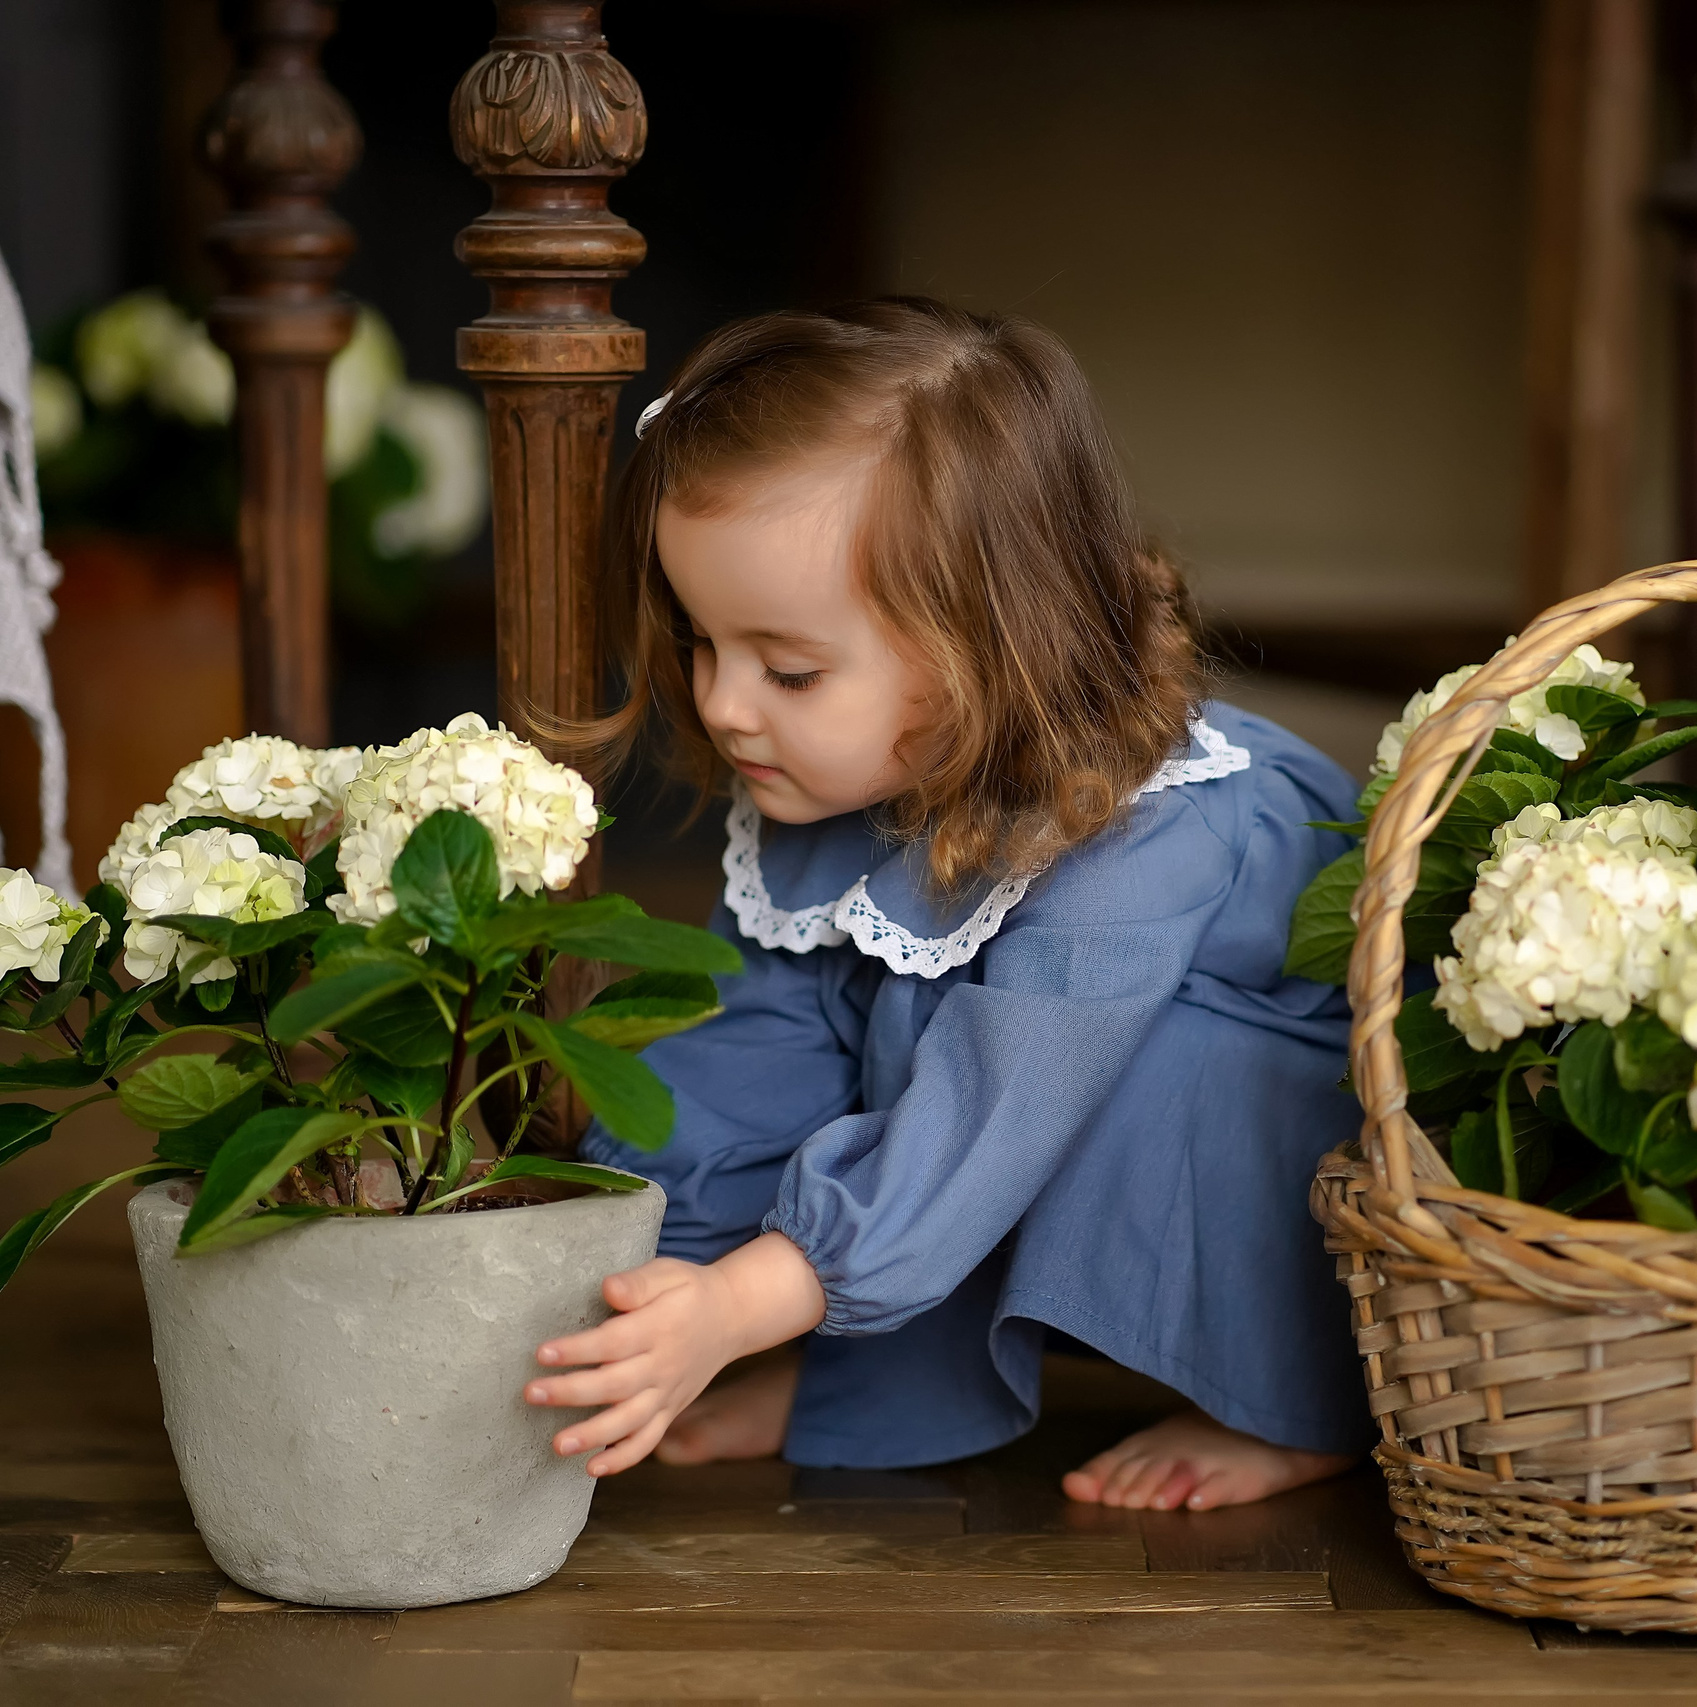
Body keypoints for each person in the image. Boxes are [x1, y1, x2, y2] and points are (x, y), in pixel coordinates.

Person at [521, 297, 1367, 1511]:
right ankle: (853, 1377)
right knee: (861, 1019)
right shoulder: (834, 776)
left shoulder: (1148, 829)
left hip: (1259, 1136)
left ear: (991, 646)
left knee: (1065, 1071)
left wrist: (745, 1302)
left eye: (789, 669)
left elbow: (989, 1114)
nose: (721, 705)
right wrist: (652, 1270)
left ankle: (1287, 1400)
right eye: (702, 643)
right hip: (1003, 1103)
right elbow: (753, 1050)